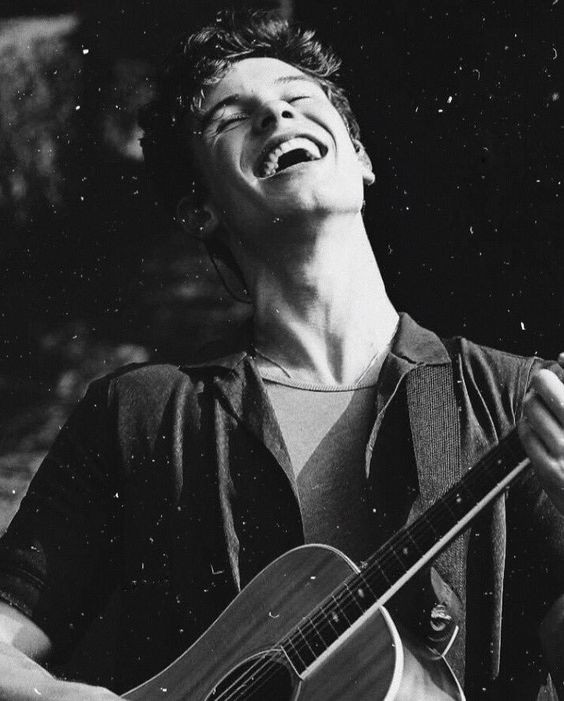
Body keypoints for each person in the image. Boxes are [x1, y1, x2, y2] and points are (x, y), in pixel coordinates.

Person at [1, 9, 564, 700]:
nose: (275, 114)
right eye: (232, 117)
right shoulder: (138, 414)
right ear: (198, 209)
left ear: (361, 157)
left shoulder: (513, 401)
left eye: (298, 97)